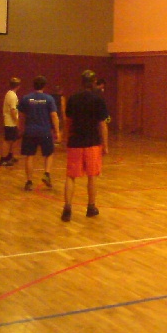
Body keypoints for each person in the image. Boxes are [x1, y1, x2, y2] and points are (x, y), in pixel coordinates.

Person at [61, 70, 109, 222]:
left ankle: (67, 208)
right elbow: (102, 124)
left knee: (71, 176)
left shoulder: (73, 99)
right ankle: (91, 207)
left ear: (81, 82)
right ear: (94, 82)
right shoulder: (98, 99)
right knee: (92, 176)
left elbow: (68, 121)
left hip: (75, 142)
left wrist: (66, 137)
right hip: (92, 143)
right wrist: (105, 144)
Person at [18, 75, 60, 191]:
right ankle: (46, 173)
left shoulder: (26, 98)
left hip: (30, 131)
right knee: (49, 153)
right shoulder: (49, 99)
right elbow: (54, 115)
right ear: (44, 86)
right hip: (45, 131)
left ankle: (29, 181)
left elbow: (21, 116)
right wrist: (57, 131)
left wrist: (20, 128)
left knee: (29, 156)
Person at [0, 77, 21, 166]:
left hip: (10, 122)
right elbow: (13, 110)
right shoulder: (13, 96)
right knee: (8, 140)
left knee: (14, 140)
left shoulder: (9, 93)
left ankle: (10, 156)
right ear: (18, 86)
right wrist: (17, 121)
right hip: (10, 122)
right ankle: (3, 159)